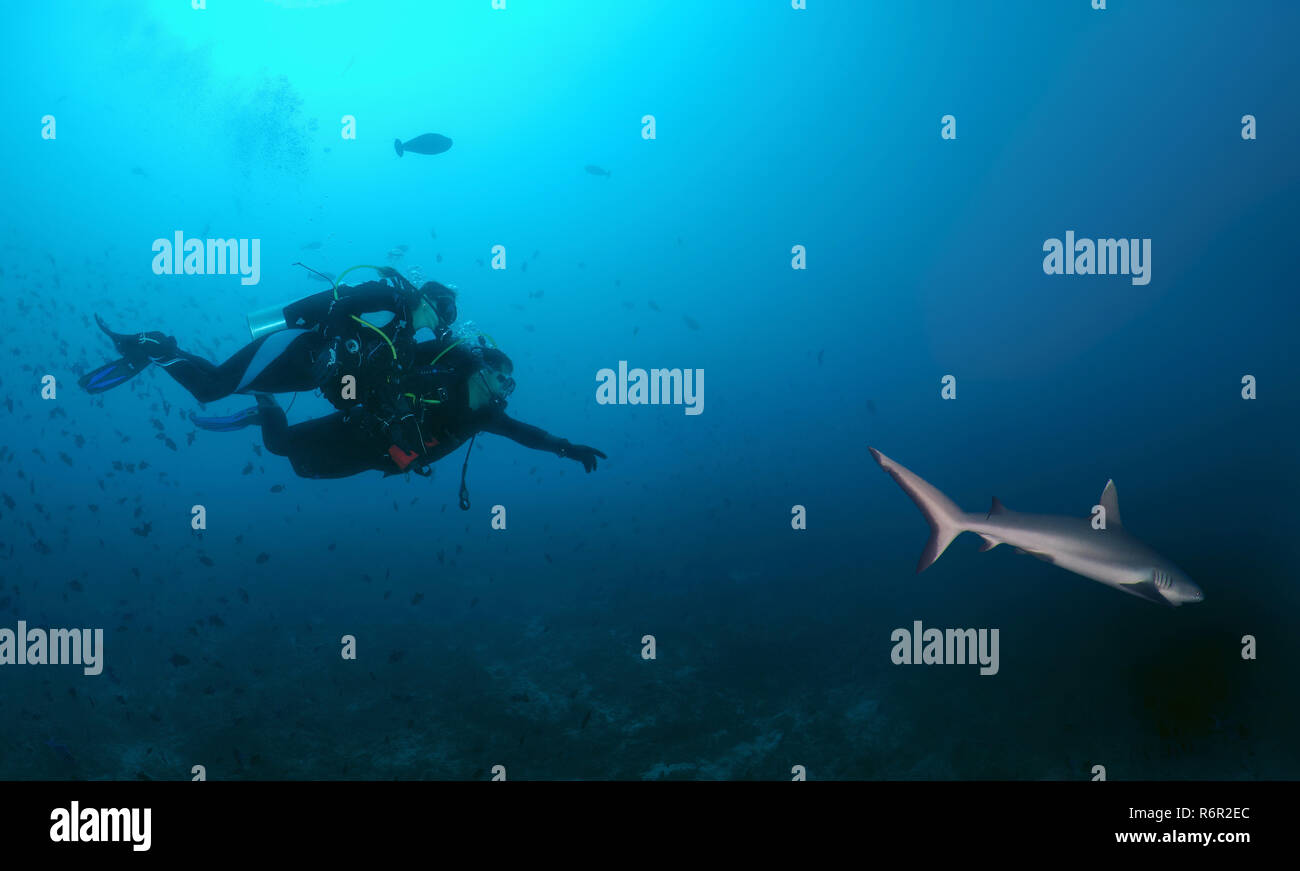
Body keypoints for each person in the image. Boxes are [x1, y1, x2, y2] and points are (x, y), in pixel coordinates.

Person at [194, 337, 606, 496]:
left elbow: (526, 434)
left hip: (380, 458)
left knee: (303, 469)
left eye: (509, 386)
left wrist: (568, 449)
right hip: (357, 427)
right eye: (504, 380)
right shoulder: (435, 378)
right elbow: (385, 376)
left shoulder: (484, 416)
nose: (506, 391)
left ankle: (264, 411)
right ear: (484, 370)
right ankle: (265, 404)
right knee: (280, 446)